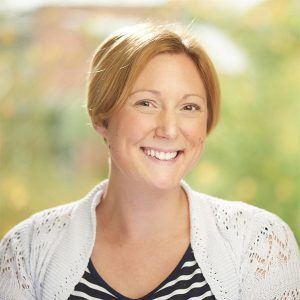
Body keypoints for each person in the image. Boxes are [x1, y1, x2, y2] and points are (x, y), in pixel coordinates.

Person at [0, 23, 299, 300]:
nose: (169, 129)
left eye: (189, 106)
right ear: (101, 116)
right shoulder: (26, 250)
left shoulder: (260, 244)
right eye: (146, 103)